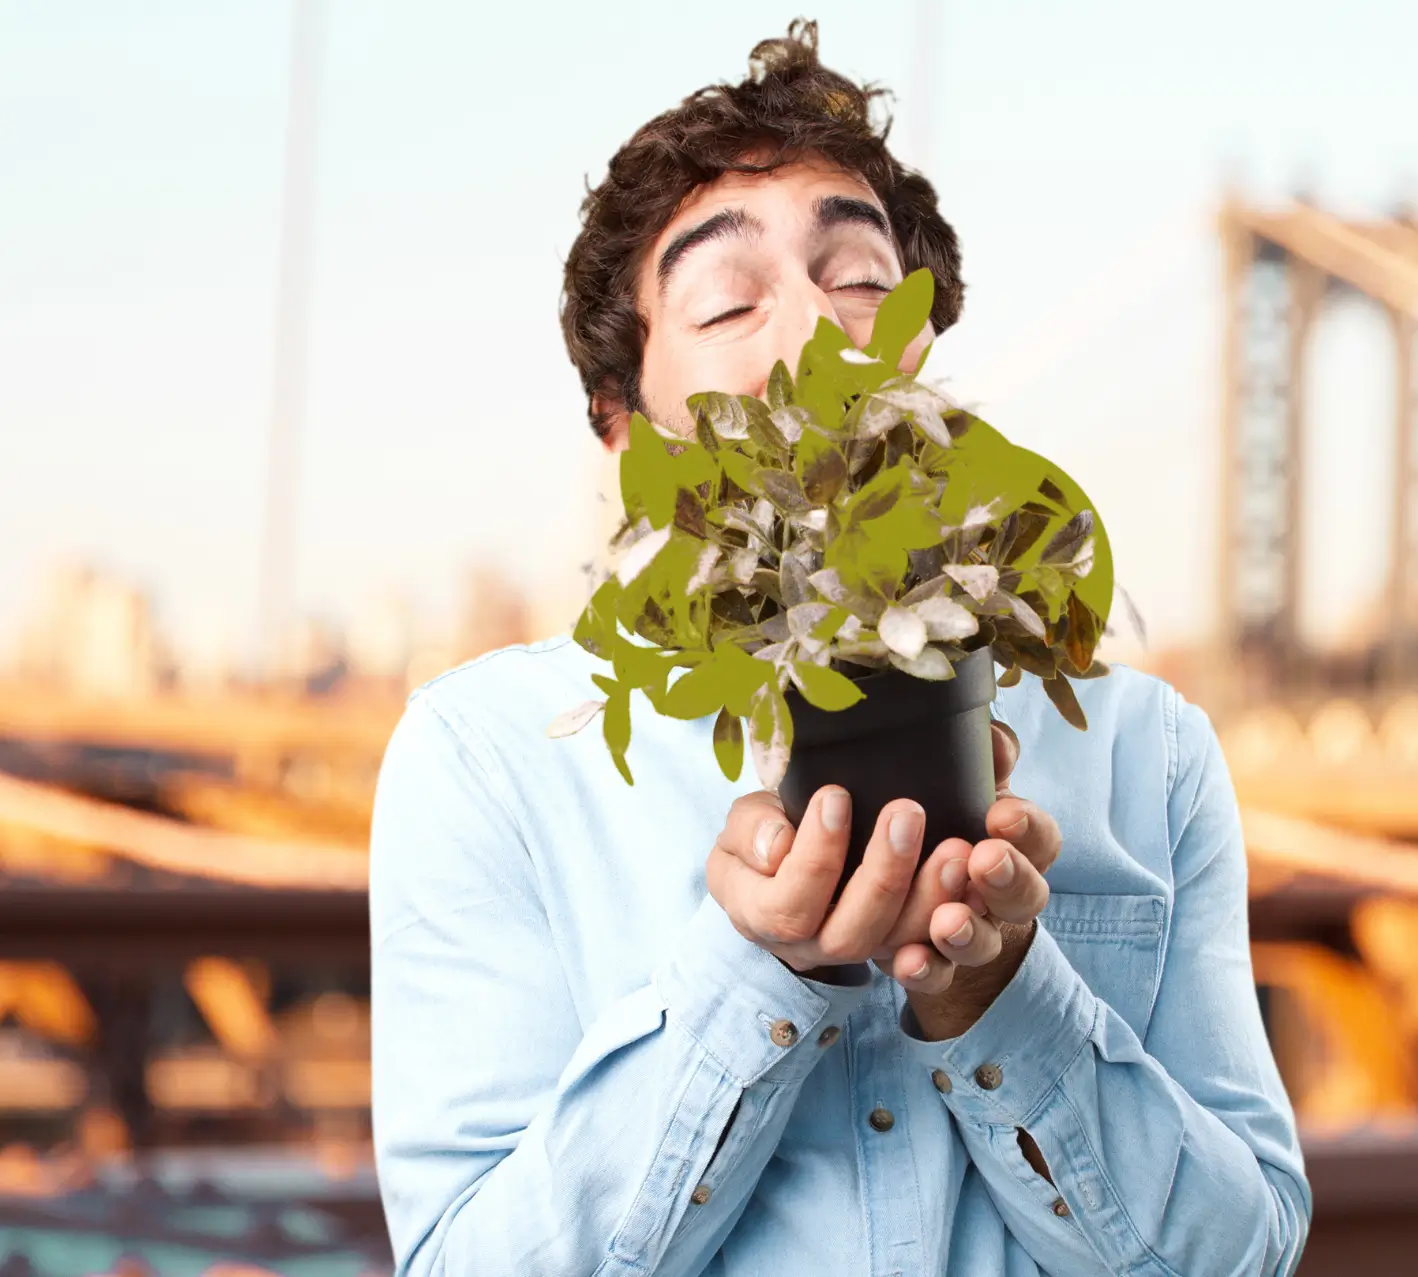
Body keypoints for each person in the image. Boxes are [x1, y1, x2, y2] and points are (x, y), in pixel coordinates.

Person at [369, 19, 1309, 1277]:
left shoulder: (1151, 753)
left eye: (860, 278)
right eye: (726, 299)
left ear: (920, 351)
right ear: (621, 429)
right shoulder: (483, 761)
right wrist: (756, 972)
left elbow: (1242, 1255)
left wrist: (999, 997)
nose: (815, 324)